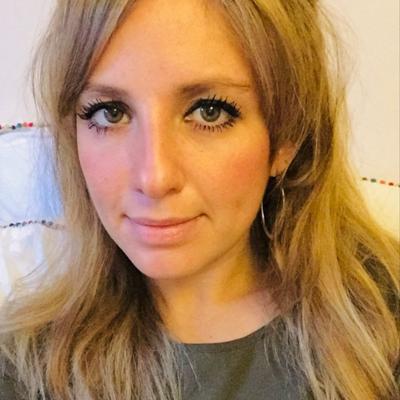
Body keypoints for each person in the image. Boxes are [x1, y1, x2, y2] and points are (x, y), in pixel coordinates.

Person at [0, 0, 399, 399]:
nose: (154, 179)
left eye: (209, 112)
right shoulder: (23, 372)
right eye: (110, 113)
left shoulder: (385, 330)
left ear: (286, 138)